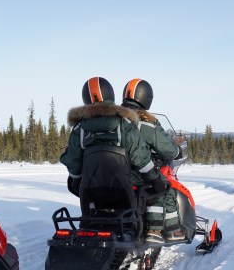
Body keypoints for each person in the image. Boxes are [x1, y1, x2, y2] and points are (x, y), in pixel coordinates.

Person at [60, 77, 167, 242]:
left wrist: (75, 178)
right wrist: (154, 178)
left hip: (91, 190)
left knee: (80, 189)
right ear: (111, 95)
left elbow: (73, 160)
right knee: (157, 189)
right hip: (123, 188)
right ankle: (153, 230)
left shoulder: (80, 129)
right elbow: (140, 157)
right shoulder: (123, 124)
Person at [121, 78, 186, 243]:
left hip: (114, 175)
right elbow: (167, 148)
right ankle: (164, 230)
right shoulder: (145, 123)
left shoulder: (115, 121)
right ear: (146, 98)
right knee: (165, 189)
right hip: (139, 173)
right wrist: (177, 151)